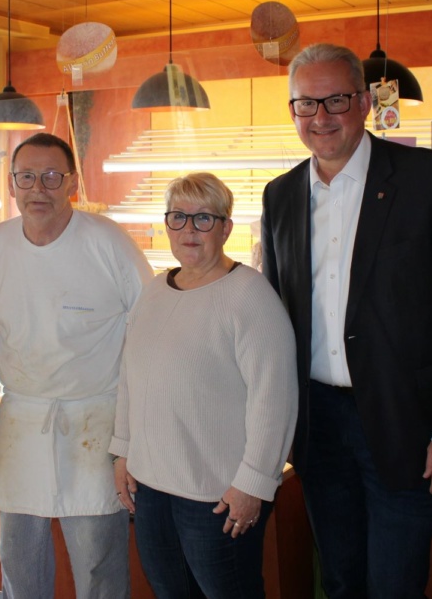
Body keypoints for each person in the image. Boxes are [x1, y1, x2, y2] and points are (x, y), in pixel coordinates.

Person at [260, 43, 432, 598]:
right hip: (318, 428)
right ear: (293, 111)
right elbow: (272, 316)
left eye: (336, 100)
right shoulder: (280, 197)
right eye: (305, 105)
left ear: (365, 102)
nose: (321, 118)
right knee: (341, 580)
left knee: (395, 585)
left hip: (408, 427)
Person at [0, 132, 152, 599]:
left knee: (97, 558)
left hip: (96, 414)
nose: (39, 188)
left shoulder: (108, 242)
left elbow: (149, 326)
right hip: (24, 416)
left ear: (72, 181)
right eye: (27, 176)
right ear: (12, 184)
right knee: (18, 555)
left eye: (52, 176)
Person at [110, 173, 297, 599]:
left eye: (203, 219)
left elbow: (276, 401)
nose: (189, 230)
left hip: (217, 495)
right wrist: (122, 450)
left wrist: (253, 484)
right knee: (171, 592)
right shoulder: (155, 289)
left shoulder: (250, 296)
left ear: (226, 227)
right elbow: (130, 378)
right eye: (179, 217)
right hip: (152, 486)